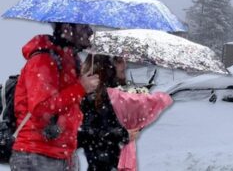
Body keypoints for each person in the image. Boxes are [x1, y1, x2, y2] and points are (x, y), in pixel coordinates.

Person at [10, 23, 100, 171]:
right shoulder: (43, 60)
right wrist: (80, 88)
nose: (90, 31)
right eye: (84, 27)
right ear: (67, 27)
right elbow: (40, 108)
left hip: (64, 155)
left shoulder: (69, 61)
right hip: (37, 156)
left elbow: (68, 107)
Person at [78, 54, 137, 171]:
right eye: (120, 61)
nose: (125, 64)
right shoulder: (93, 97)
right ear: (106, 65)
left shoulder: (114, 93)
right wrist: (122, 134)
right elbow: (84, 135)